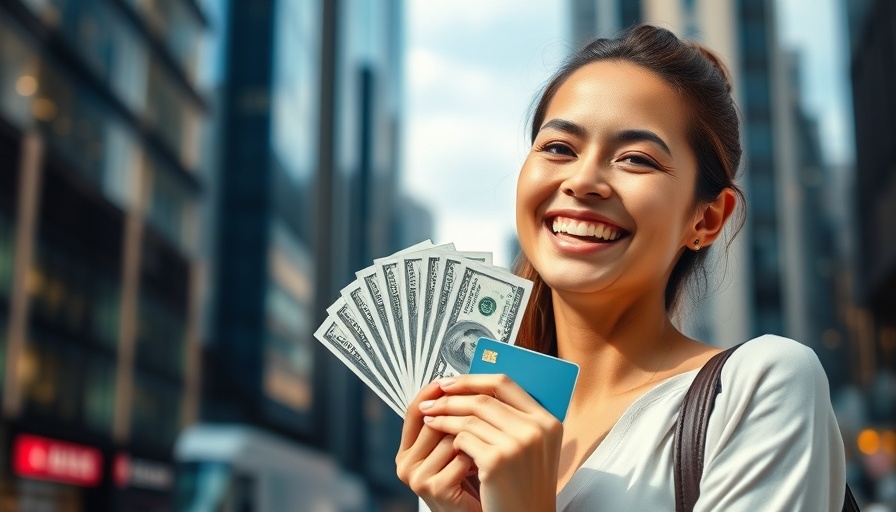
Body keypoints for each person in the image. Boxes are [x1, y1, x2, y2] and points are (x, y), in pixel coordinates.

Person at [395, 24, 847, 511]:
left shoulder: (759, 385)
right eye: (558, 148)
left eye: (636, 159)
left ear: (707, 217)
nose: (584, 180)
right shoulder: (471, 434)